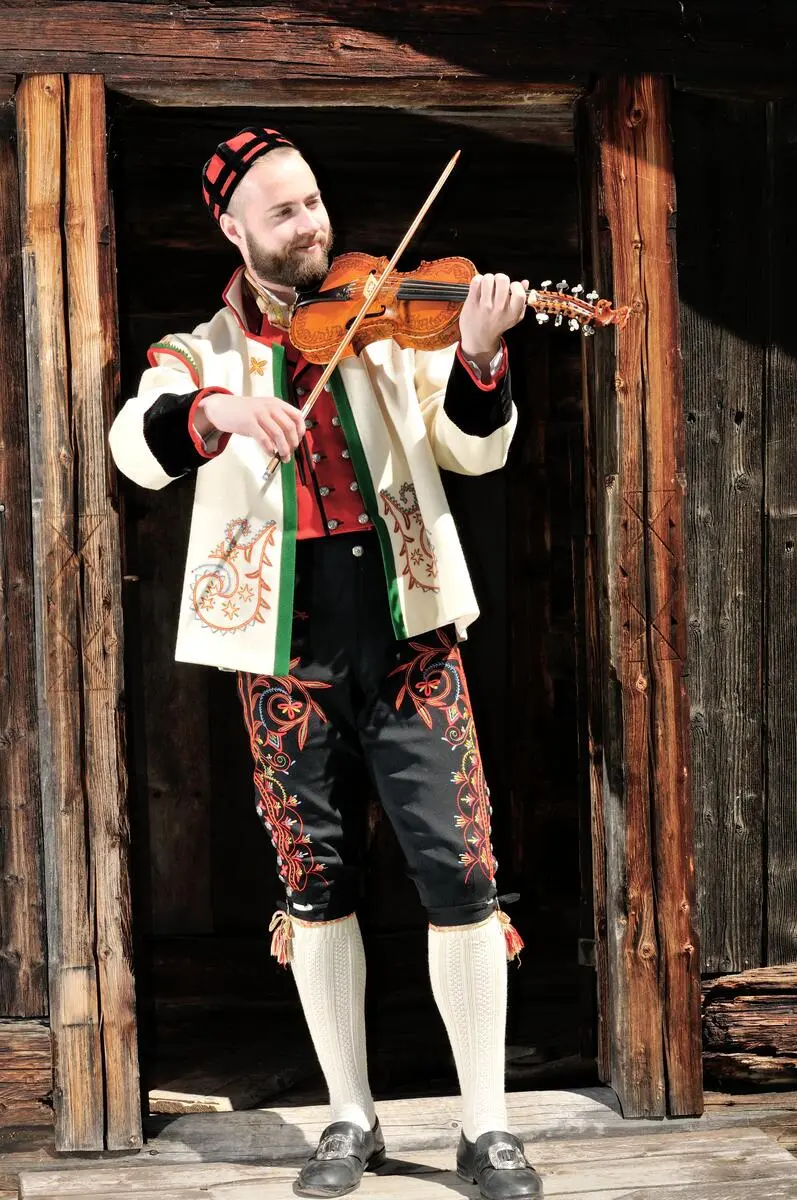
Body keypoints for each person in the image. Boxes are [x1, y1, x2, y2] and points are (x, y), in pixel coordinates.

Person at [109, 126, 542, 1200]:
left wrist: (479, 355)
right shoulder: (199, 352)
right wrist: (220, 410)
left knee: (462, 872)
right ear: (234, 229)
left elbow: (474, 446)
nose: (311, 225)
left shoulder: (387, 332)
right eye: (285, 212)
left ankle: (486, 1128)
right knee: (314, 883)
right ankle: (349, 1116)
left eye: (313, 202)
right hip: (283, 653)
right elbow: (136, 442)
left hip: (407, 634)